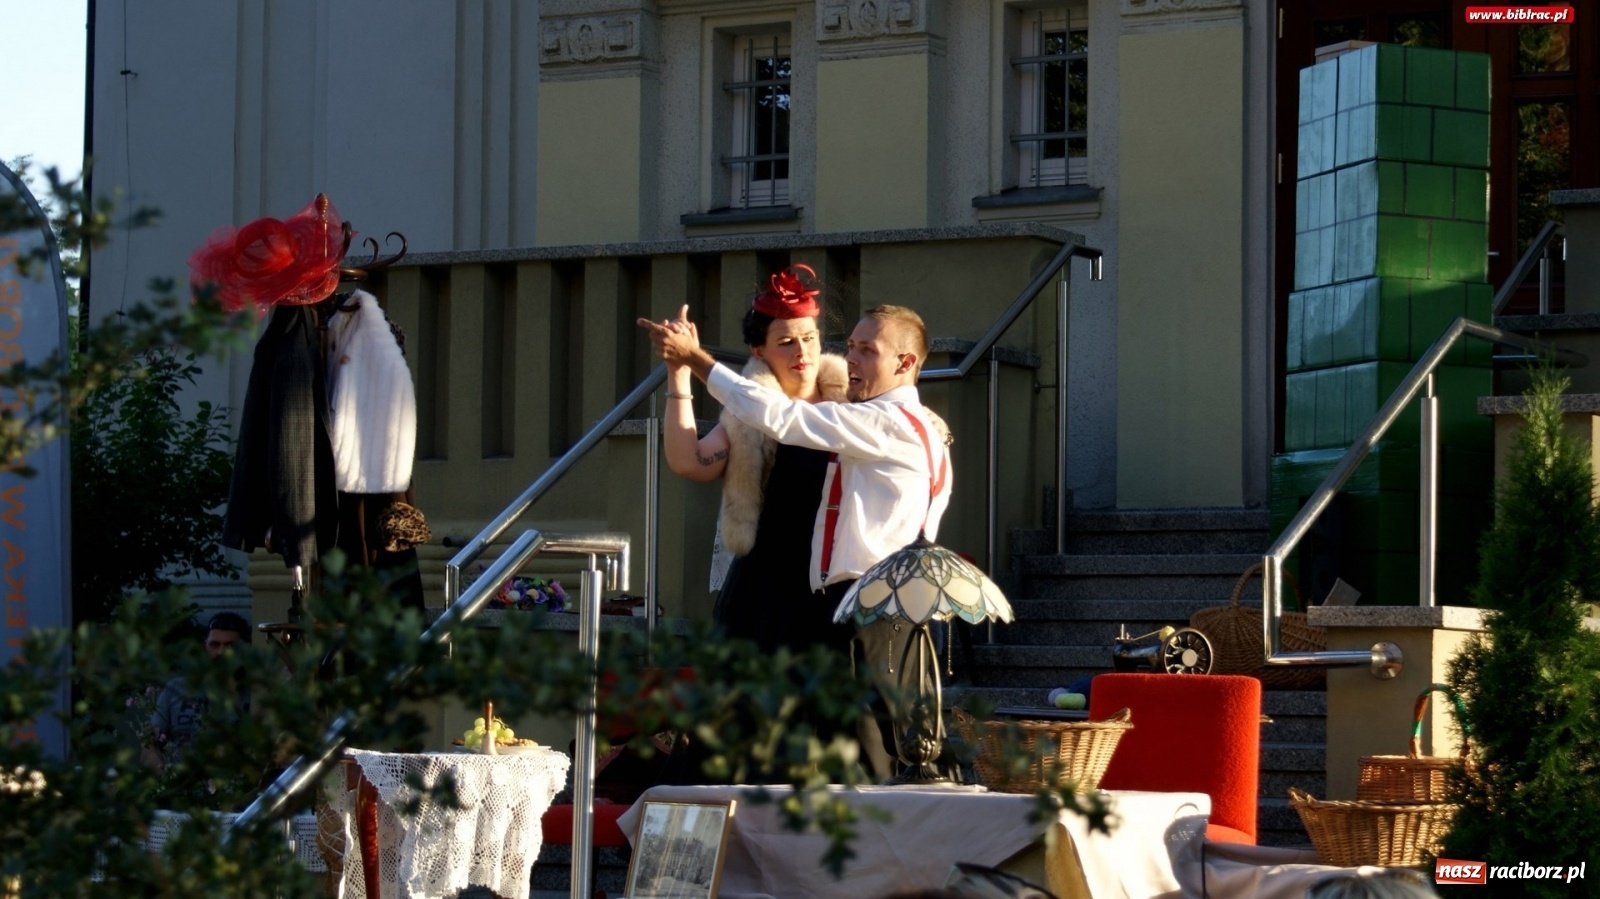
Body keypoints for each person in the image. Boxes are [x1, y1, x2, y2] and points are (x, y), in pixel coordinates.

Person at [640, 302, 952, 776]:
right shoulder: (872, 416)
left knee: (867, 747)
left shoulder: (880, 421)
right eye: (849, 346)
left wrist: (696, 359)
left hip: (857, 606)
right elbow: (719, 444)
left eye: (866, 350)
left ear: (905, 362)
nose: (847, 357)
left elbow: (785, 419)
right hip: (803, 599)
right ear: (760, 353)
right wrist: (680, 373)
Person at [661, 264, 850, 655]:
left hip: (837, 586)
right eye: (786, 342)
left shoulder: (853, 404)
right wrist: (679, 374)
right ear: (758, 350)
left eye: (809, 338)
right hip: (766, 589)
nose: (802, 352)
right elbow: (689, 461)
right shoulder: (747, 413)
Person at [140, 612, 252, 773]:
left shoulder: (257, 693)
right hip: (184, 788)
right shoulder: (177, 689)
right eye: (215, 645)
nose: (221, 652)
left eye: (230, 646)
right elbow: (149, 744)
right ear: (205, 645)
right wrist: (167, 780)